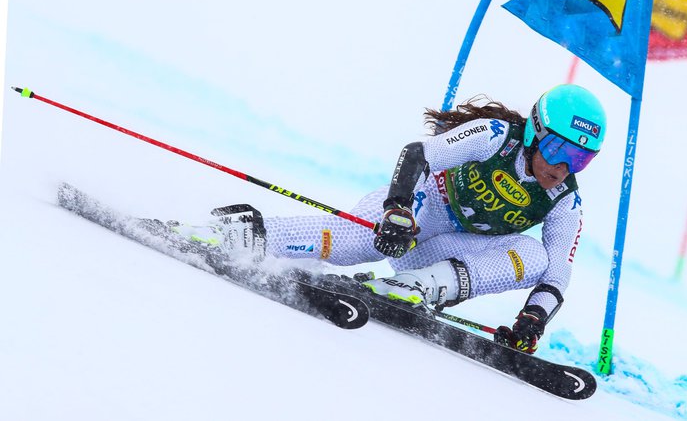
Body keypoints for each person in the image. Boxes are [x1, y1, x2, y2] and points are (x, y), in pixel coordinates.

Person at [175, 83, 606, 355]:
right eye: (557, 150)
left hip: (442, 254)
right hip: (417, 208)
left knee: (533, 257)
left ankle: (411, 288)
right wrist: (397, 208)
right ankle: (244, 234)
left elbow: (557, 273)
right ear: (534, 132)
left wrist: (533, 318)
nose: (562, 167)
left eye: (580, 159)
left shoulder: (564, 200)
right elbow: (420, 154)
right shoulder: (496, 136)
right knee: (354, 244)